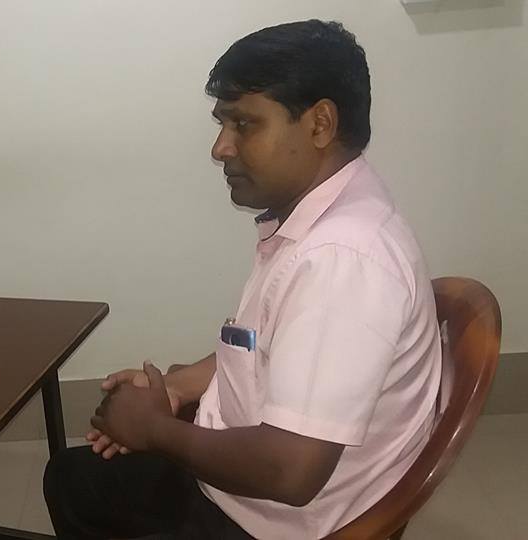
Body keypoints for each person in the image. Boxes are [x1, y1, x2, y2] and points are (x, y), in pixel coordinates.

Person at [43, 20, 442, 539]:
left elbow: (290, 471)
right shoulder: (327, 216)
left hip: (268, 519)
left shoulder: (342, 260)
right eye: (222, 124)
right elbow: (270, 345)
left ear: (320, 124)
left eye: (244, 124)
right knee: (73, 479)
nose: (220, 148)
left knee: (79, 484)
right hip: (252, 485)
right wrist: (178, 386)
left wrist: (154, 430)